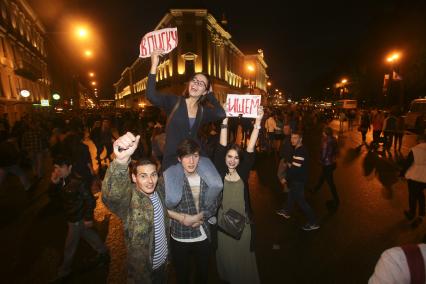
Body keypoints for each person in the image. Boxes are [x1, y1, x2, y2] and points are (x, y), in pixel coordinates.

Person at [147, 49, 225, 209]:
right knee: (173, 199)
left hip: (196, 154)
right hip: (173, 156)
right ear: (189, 83)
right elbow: (151, 95)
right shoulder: (174, 102)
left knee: (217, 184)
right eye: (194, 80)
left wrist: (211, 96)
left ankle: (205, 213)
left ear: (204, 90)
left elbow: (220, 113)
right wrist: (154, 65)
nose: (196, 84)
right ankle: (169, 216)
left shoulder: (203, 112)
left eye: (201, 83)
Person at [102, 132, 169, 283]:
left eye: (153, 175)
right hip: (142, 273)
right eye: (143, 176)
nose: (150, 181)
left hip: (164, 265)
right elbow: (112, 197)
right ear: (134, 177)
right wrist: (121, 161)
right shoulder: (130, 198)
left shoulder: (160, 190)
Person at [213, 106, 263, 284]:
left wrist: (258, 122)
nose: (232, 160)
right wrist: (225, 119)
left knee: (243, 259)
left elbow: (250, 149)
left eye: (236, 157)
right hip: (224, 224)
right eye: (229, 156)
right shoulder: (219, 170)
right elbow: (221, 146)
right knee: (229, 261)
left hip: (244, 224)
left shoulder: (242, 172)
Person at [167, 138, 221, 284]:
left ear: (200, 157)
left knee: (202, 275)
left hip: (202, 233)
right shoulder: (171, 179)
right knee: (182, 276)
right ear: (179, 159)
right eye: (186, 156)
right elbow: (160, 206)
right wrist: (182, 218)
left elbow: (216, 201)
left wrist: (202, 216)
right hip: (180, 236)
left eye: (195, 156)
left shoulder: (207, 177)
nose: (191, 161)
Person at [49, 156, 109, 283]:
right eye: (56, 168)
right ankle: (103, 252)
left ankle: (64, 271)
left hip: (77, 219)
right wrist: (54, 184)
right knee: (87, 234)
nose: (58, 171)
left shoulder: (77, 182)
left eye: (61, 168)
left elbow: (90, 200)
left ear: (69, 168)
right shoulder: (62, 180)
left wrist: (88, 218)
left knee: (69, 246)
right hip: (72, 217)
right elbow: (56, 200)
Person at [276, 131, 320, 231]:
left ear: (300, 139)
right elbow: (296, 165)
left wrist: (285, 179)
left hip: (298, 180)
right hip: (297, 179)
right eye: (292, 138)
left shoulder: (300, 151)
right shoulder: (298, 149)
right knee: (291, 195)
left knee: (301, 202)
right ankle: (286, 211)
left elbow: (295, 170)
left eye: (295, 138)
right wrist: (290, 165)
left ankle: (313, 222)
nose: (292, 140)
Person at [401, 132, 426, 228]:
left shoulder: (415, 150)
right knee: (420, 194)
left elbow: (408, 163)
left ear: (420, 140)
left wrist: (402, 174)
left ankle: (412, 213)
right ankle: (421, 214)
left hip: (415, 177)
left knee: (412, 195)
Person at [312, 127, 339, 209]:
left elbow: (323, 155)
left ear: (325, 133)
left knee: (330, 183)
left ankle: (336, 200)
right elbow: (336, 151)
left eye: (323, 132)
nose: (322, 133)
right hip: (332, 162)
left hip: (327, 164)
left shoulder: (325, 142)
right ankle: (315, 189)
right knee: (322, 177)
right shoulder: (334, 139)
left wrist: (320, 160)